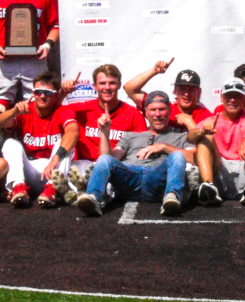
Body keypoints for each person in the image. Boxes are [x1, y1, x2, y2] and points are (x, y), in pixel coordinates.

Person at [75, 89, 194, 217]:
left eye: (162, 109)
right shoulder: (131, 136)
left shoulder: (181, 137)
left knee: (177, 156)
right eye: (153, 110)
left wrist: (164, 147)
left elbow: (194, 158)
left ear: (169, 111)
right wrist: (104, 132)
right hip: (130, 177)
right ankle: (93, 197)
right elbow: (109, 159)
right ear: (146, 113)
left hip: (158, 178)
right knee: (104, 159)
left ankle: (172, 198)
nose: (158, 114)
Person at [0, 71, 80, 207]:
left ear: (56, 95)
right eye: (38, 91)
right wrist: (14, 112)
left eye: (48, 93)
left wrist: (55, 159)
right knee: (10, 143)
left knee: (63, 143)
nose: (42, 96)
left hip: (55, 169)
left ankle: (53, 189)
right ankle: (18, 187)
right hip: (31, 170)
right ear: (33, 93)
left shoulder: (63, 110)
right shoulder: (25, 111)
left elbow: (73, 132)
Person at [199, 80, 245, 205]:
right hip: (221, 173)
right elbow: (190, 137)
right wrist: (201, 131)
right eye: (228, 96)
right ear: (222, 97)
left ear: (244, 98)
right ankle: (208, 186)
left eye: (237, 96)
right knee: (204, 139)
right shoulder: (212, 120)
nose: (232, 100)